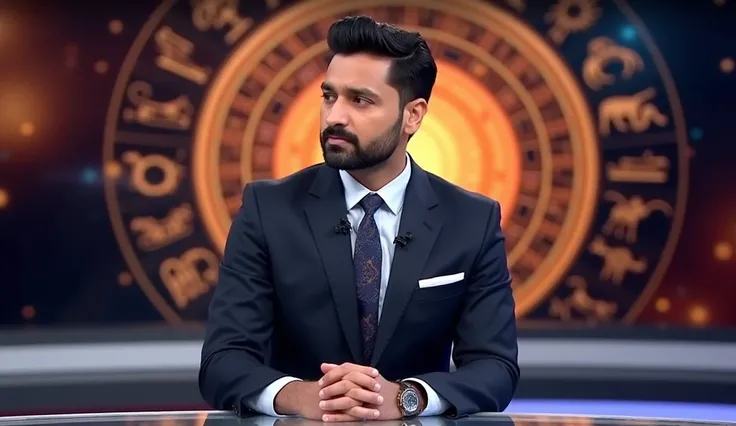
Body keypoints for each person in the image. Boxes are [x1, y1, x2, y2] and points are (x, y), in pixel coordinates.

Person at [198, 15, 520, 422]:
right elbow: (223, 362)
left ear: (413, 116)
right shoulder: (267, 209)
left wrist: (405, 398)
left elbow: (496, 368)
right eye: (329, 96)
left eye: (360, 100)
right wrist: (303, 397)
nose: (335, 116)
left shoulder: (471, 220)